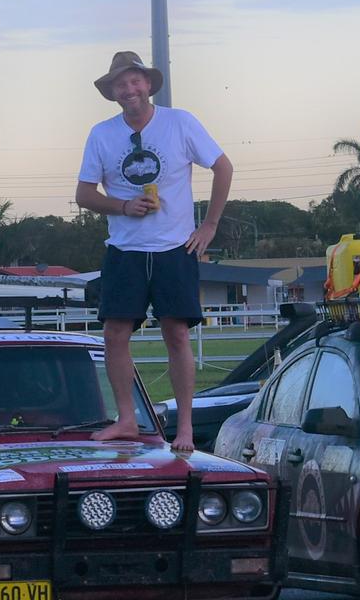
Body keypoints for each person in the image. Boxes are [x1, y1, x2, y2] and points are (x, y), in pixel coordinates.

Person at [75, 51, 232, 453]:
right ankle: (126, 419)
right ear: (111, 92)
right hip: (125, 250)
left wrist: (209, 225)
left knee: (176, 333)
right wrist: (123, 206)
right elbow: (85, 194)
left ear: (148, 84)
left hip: (174, 247)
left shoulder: (179, 122)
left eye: (134, 81)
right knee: (114, 333)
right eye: (120, 84)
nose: (129, 90)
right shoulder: (101, 133)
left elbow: (223, 167)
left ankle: (184, 428)